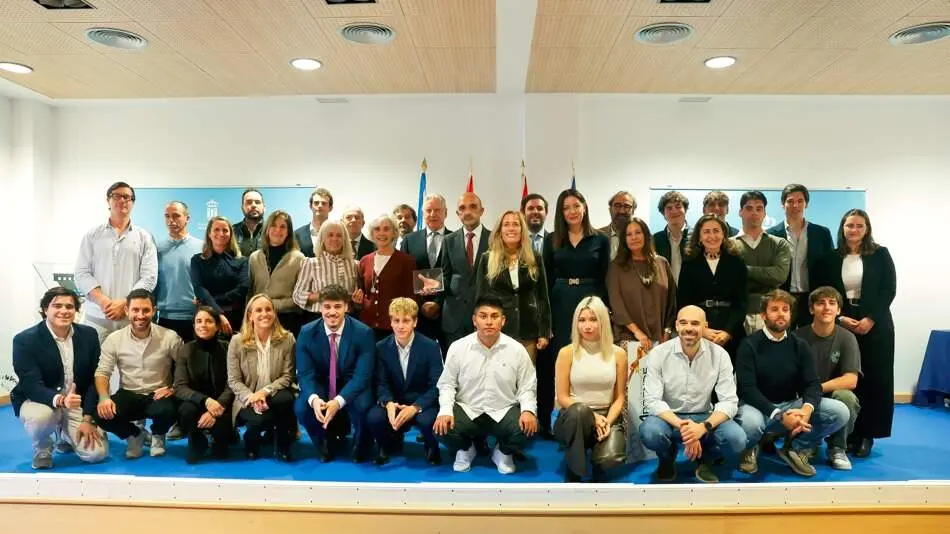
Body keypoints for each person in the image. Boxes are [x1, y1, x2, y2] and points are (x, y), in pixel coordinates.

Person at [734, 290, 849, 478]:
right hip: (757, 408)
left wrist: (805, 411)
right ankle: (751, 447)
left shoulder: (799, 345)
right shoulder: (749, 345)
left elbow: (812, 384)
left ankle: (794, 448)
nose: (781, 314)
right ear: (763, 315)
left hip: (789, 406)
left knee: (840, 411)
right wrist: (779, 416)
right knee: (750, 425)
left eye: (785, 309)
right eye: (775, 309)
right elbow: (747, 389)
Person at [813, 209, 896, 458]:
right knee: (848, 380)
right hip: (842, 323)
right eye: (850, 226)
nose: (854, 230)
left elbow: (889, 290)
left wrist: (870, 318)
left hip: (876, 325)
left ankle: (867, 435)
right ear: (842, 228)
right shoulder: (830, 257)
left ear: (867, 229)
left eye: (860, 226)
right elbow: (822, 291)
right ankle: (845, 434)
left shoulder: (880, 254)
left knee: (875, 381)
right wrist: (839, 317)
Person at [639, 306, 745, 484]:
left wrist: (703, 427)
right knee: (651, 432)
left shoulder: (720, 355)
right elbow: (652, 401)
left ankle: (706, 458)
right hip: (669, 417)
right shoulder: (658, 354)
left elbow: (729, 402)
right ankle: (666, 457)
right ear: (676, 326)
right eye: (683, 323)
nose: (688, 328)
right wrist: (685, 428)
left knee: (737, 439)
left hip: (704, 415)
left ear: (705, 327)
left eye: (695, 323)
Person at [435, 295, 538, 474]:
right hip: (469, 409)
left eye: (494, 316)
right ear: (474, 320)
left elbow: (527, 386)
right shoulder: (458, 347)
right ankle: (466, 449)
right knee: (441, 429)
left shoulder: (517, 350)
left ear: (503, 320)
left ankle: (502, 452)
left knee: (529, 430)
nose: (489, 322)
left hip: (503, 410)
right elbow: (447, 384)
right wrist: (444, 411)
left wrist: (528, 411)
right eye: (483, 316)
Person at [11, 287, 108, 469]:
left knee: (96, 454)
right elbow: (31, 383)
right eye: (57, 306)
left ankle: (64, 433)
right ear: (45, 309)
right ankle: (43, 448)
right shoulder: (25, 340)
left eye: (69, 306)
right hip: (39, 400)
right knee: (42, 418)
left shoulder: (89, 335)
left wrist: (88, 419)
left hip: (75, 402)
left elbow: (94, 380)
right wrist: (60, 400)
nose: (64, 311)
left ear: (76, 311)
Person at [542, 189, 610, 437]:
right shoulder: (551, 240)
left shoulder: (600, 240)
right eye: (566, 207)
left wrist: (604, 311)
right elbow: (546, 280)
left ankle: (592, 417)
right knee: (561, 359)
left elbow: (605, 277)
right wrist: (545, 318)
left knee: (588, 356)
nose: (571, 211)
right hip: (559, 302)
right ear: (561, 213)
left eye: (575, 205)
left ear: (584, 207)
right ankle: (560, 420)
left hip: (590, 300)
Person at [94, 289, 182, 459]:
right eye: (135, 310)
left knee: (172, 408)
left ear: (154, 311)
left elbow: (184, 368)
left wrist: (173, 388)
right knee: (101, 414)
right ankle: (134, 435)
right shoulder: (114, 339)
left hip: (158, 394)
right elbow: (102, 372)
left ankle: (158, 435)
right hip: (129, 393)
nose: (140, 315)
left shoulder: (170, 337)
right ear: (127, 310)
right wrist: (104, 398)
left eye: (146, 310)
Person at [295, 284, 376, 463]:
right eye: (327, 306)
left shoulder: (364, 333)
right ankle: (324, 442)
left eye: (337, 306)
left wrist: (339, 402)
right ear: (320, 307)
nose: (332, 312)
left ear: (347, 307)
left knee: (364, 405)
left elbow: (362, 376)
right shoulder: (306, 332)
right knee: (302, 407)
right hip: (322, 383)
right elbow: (305, 374)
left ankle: (361, 443)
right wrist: (314, 399)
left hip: (351, 384)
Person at [553, 296, 626, 482]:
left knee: (611, 459)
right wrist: (593, 417)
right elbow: (562, 397)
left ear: (603, 321)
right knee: (579, 411)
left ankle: (597, 461)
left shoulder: (618, 354)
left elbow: (619, 398)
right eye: (582, 320)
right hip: (573, 415)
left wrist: (607, 422)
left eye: (593, 320)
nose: (587, 326)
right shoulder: (566, 353)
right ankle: (575, 471)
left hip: (606, 414)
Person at [75, 181, 158, 343]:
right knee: (95, 365)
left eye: (127, 197)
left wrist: (125, 303)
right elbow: (81, 273)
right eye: (117, 196)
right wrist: (103, 301)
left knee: (131, 365)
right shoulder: (92, 235)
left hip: (131, 317)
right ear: (108, 200)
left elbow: (149, 277)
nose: (122, 200)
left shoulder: (144, 237)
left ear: (133, 203)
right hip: (97, 316)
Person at [367, 298, 444, 466]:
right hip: (394, 401)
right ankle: (384, 446)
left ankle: (432, 446)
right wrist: (388, 403)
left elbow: (436, 385)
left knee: (427, 420)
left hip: (421, 402)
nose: (401, 326)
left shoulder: (430, 347)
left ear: (415, 322)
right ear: (391, 322)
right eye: (396, 320)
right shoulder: (380, 347)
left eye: (406, 320)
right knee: (374, 417)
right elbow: (380, 382)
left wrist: (415, 407)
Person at [793, 286, 861, 470]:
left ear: (838, 310)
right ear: (811, 309)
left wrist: (818, 389)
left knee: (846, 397)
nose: (826, 308)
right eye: (820, 303)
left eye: (832, 303)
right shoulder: (797, 337)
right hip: (802, 396)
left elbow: (851, 380)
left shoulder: (847, 338)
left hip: (828, 394)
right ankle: (807, 443)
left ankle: (838, 448)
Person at [474, 210, 551, 363]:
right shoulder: (487, 258)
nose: (511, 228)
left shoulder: (534, 257)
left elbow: (542, 296)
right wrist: (481, 329)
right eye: (506, 224)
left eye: (516, 224)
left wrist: (544, 332)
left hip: (528, 330)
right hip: (497, 331)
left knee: (526, 379)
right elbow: (480, 298)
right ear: (499, 230)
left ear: (522, 230)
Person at [226, 293, 296, 462]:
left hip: (274, 395)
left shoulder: (287, 339)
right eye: (258, 310)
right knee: (257, 420)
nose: (264, 314)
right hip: (247, 397)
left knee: (285, 400)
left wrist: (264, 392)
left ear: (274, 313)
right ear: (250, 316)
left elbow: (288, 376)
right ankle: (252, 439)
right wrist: (252, 397)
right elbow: (234, 380)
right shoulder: (237, 341)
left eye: (268, 309)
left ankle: (283, 444)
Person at [676, 214, 748, 359]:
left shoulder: (736, 261)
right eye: (706, 232)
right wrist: (702, 330)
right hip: (699, 331)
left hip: (731, 331)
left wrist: (728, 332)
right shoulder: (690, 263)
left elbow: (741, 302)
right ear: (699, 236)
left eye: (716, 231)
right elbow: (684, 302)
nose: (712, 236)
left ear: (724, 234)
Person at [768, 184, 835, 327]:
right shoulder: (770, 235)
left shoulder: (821, 233)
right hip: (782, 298)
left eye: (800, 201)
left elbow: (830, 268)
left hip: (813, 299)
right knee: (784, 341)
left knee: (811, 343)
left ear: (806, 204)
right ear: (782, 204)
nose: (795, 205)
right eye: (790, 201)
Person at [174, 306, 235, 464]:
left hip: (222, 405)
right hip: (197, 403)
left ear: (217, 326)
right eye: (199, 321)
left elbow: (233, 383)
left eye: (209, 321)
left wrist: (218, 406)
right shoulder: (185, 350)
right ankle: (197, 438)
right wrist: (206, 401)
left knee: (223, 454)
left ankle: (222, 438)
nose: (203, 325)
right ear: (194, 325)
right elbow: (180, 387)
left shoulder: (228, 348)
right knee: (185, 410)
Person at [606, 217, 676, 351]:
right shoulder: (616, 267)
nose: (634, 237)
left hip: (661, 340)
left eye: (638, 232)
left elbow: (672, 302)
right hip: (630, 339)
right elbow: (616, 305)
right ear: (624, 240)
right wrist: (637, 332)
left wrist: (666, 333)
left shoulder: (662, 263)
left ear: (646, 234)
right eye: (629, 234)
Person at [731, 190, 791, 335]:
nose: (754, 213)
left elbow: (779, 276)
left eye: (759, 209)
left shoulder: (779, 244)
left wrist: (743, 270)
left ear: (764, 213)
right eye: (749, 208)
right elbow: (729, 279)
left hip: (771, 313)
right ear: (740, 212)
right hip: (737, 312)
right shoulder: (728, 245)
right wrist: (766, 274)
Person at [400, 194, 452, 351]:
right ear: (423, 214)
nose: (433, 214)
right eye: (428, 210)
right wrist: (422, 305)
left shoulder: (457, 238)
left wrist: (437, 303)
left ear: (446, 213)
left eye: (437, 210)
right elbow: (405, 276)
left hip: (448, 311)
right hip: (418, 313)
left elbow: (457, 275)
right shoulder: (410, 240)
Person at [439, 192, 491, 346]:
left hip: (485, 317)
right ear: (457, 213)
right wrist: (434, 287)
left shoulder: (494, 239)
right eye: (462, 208)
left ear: (482, 211)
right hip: (454, 319)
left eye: (473, 206)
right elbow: (445, 275)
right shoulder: (448, 240)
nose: (467, 212)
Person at [357, 214, 416, 341]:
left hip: (394, 329)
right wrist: (357, 299)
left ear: (394, 233)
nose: (381, 233)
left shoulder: (406, 261)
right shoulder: (364, 261)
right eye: (377, 229)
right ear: (372, 234)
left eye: (386, 229)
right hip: (366, 327)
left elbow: (412, 297)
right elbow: (361, 292)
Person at [248, 210, 305, 336]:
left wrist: (270, 305)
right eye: (273, 225)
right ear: (267, 229)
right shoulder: (254, 257)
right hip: (258, 321)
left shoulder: (299, 259)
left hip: (287, 321)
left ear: (288, 232)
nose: (277, 230)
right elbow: (250, 292)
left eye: (283, 227)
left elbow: (301, 298)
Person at [292, 220, 361, 324]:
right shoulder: (311, 263)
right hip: (317, 319)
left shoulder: (355, 265)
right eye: (330, 235)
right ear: (322, 239)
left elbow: (358, 301)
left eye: (339, 235)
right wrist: (323, 296)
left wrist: (357, 300)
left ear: (345, 239)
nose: (334, 239)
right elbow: (297, 295)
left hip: (347, 320)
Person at [191, 216, 249, 335]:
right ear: (209, 233)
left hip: (236, 317)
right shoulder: (197, 260)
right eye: (216, 229)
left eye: (225, 230)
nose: (221, 233)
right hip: (206, 318)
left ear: (230, 234)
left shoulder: (242, 260)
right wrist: (218, 313)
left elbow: (243, 288)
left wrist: (213, 301)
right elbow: (199, 288)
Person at [155, 201, 204, 342]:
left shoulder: (202, 247)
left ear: (187, 218)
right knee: (166, 364)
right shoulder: (156, 248)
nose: (171, 220)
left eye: (176, 216)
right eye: (167, 216)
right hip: (165, 318)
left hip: (195, 317)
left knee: (192, 363)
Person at [652, 191, 689, 283]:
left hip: (692, 293)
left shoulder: (697, 235)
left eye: (678, 206)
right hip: (665, 293)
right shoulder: (655, 239)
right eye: (669, 208)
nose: (674, 211)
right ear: (663, 213)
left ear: (685, 209)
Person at [294, 187, 333, 258]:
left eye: (324, 203)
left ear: (330, 208)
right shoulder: (297, 234)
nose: (320, 206)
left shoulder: (337, 233)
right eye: (316, 203)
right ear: (310, 206)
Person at [597, 191, 637, 260]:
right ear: (610, 210)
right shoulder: (596, 236)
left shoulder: (643, 237)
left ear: (633, 211)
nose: (622, 211)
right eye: (617, 206)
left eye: (627, 206)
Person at [233, 188, 266, 257]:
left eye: (257, 202)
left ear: (264, 207)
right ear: (242, 208)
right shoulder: (231, 231)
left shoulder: (273, 230)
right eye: (249, 202)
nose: (254, 205)